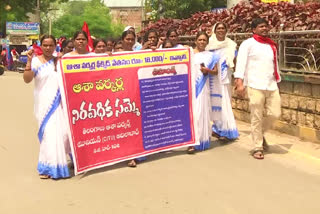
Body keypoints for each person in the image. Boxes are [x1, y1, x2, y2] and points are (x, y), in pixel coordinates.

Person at [23, 35, 71, 179]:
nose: (48, 48)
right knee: (49, 135)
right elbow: (27, 79)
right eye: (45, 45)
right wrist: (29, 61)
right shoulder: (36, 61)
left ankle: (58, 162)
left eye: (51, 45)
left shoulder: (60, 60)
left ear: (55, 46)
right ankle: (46, 167)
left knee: (62, 134)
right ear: (41, 46)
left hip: (60, 103)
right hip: (44, 105)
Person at [234, 18, 281, 159]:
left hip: (271, 84)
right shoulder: (247, 44)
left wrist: (278, 80)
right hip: (254, 84)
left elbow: (274, 65)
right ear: (253, 29)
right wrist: (239, 83)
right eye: (261, 26)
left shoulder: (271, 45)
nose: (264, 29)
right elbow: (240, 63)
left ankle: (258, 133)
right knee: (256, 116)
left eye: (266, 26)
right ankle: (257, 147)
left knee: (275, 114)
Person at [206, 22, 239, 141]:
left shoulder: (231, 45)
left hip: (225, 78)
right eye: (218, 28)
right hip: (212, 78)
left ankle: (226, 130)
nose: (220, 30)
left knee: (224, 103)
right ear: (214, 30)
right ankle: (217, 128)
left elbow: (235, 62)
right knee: (214, 103)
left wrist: (237, 78)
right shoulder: (209, 44)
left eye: (223, 28)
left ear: (226, 30)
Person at [187, 32, 219, 153]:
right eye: (199, 40)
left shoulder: (211, 56)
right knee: (192, 114)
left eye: (204, 40)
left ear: (207, 42)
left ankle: (200, 140)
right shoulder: (189, 54)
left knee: (201, 112)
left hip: (203, 87)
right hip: (190, 86)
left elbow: (216, 72)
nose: (202, 42)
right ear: (195, 41)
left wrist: (207, 70)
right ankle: (191, 140)